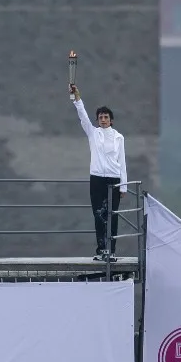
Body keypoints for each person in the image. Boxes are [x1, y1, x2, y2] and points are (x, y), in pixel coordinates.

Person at [69, 84, 127, 261]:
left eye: (106, 117)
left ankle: (112, 250)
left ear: (111, 120)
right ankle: (101, 250)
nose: (103, 119)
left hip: (114, 180)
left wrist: (123, 186)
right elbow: (83, 116)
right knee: (98, 214)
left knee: (112, 215)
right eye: (101, 117)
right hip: (97, 179)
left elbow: (122, 162)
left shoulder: (118, 137)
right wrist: (76, 98)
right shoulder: (93, 134)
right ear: (97, 120)